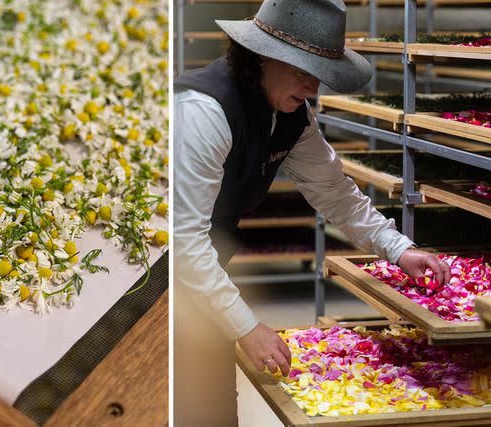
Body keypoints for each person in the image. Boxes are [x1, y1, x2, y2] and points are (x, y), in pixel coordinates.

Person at [173, 0, 453, 425]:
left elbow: (334, 192)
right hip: (157, 269)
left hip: (203, 270)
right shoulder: (204, 113)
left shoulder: (291, 114)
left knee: (210, 399)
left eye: (318, 75)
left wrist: (398, 249)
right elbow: (181, 241)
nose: (313, 87)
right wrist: (247, 326)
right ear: (264, 56)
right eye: (302, 71)